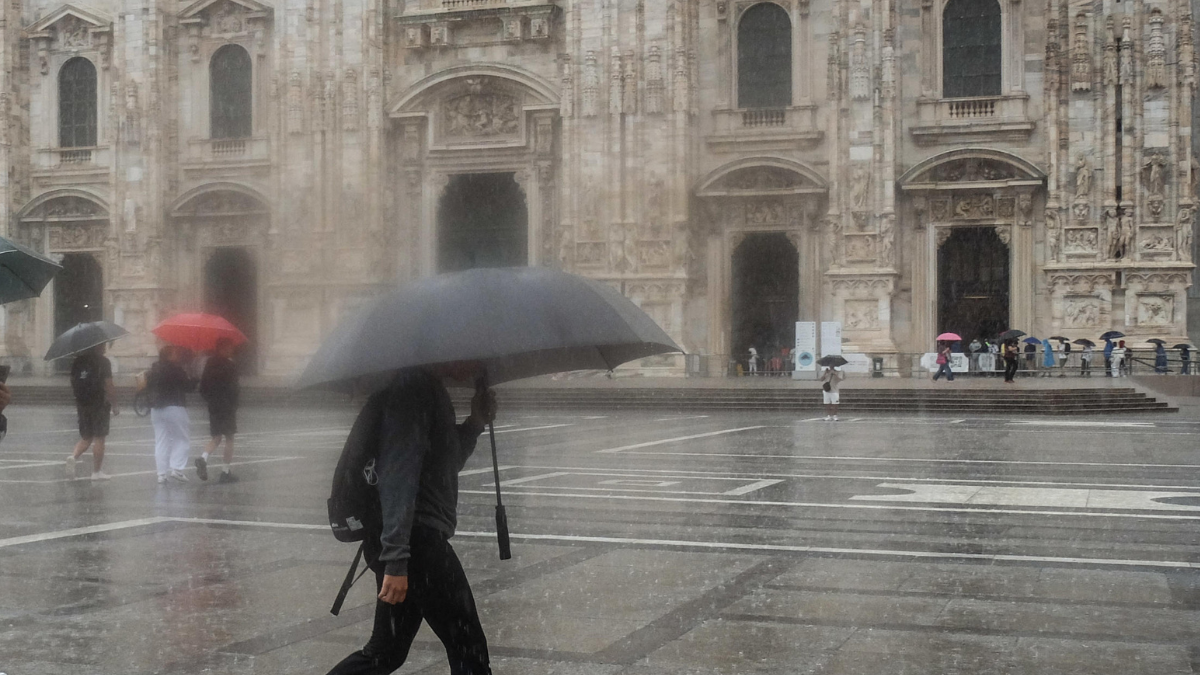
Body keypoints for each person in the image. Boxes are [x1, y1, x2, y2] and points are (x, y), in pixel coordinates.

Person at [326, 364, 497, 675]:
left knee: (386, 652)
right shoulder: (414, 388)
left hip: (411, 540)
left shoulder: (429, 388)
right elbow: (397, 475)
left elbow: (440, 468)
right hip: (417, 542)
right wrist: (396, 559)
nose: (478, 362)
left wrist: (475, 423)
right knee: (468, 646)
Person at [66, 344, 118, 480]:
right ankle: (96, 472)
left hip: (82, 403)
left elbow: (72, 380)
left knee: (86, 437)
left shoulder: (78, 361)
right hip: (99, 403)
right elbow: (109, 384)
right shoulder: (103, 362)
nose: (105, 347)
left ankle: (73, 456)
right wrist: (115, 404)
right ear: (98, 347)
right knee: (99, 438)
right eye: (103, 345)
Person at [149, 346, 196, 484]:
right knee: (181, 438)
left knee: (161, 440)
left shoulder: (154, 369)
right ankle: (177, 469)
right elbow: (188, 387)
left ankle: (161, 474)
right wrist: (194, 377)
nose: (178, 355)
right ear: (169, 356)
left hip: (156, 408)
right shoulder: (175, 369)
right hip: (174, 406)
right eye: (175, 353)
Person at [197, 338, 240, 483]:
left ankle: (203, 457)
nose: (232, 350)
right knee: (229, 438)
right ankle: (225, 472)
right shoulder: (230, 365)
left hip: (214, 406)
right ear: (223, 349)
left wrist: (211, 400)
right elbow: (234, 388)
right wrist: (234, 404)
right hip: (227, 406)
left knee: (216, 437)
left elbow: (202, 387)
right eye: (230, 347)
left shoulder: (209, 364)